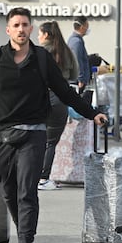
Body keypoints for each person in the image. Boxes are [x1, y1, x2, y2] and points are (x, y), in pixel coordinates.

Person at [0, 7, 107, 243]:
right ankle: (24, 229)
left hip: (34, 134)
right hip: (1, 137)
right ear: (8, 29)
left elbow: (64, 91)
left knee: (27, 191)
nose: (21, 29)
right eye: (16, 25)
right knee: (9, 191)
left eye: (25, 25)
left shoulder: (41, 58)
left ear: (31, 28)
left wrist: (92, 113)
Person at [37, 21, 79, 190]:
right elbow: (75, 75)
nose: (38, 37)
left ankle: (34, 176)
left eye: (39, 34)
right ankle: (43, 178)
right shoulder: (66, 51)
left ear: (46, 35)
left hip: (39, 99)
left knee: (34, 139)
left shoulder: (38, 53)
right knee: (50, 142)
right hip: (60, 99)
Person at [67, 16, 91, 93]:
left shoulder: (75, 40)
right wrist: (80, 79)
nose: (88, 29)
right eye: (87, 26)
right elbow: (77, 60)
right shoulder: (76, 42)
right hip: (77, 82)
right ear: (81, 27)